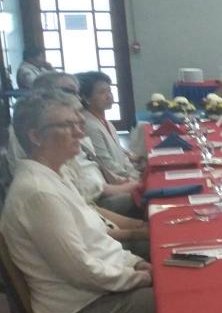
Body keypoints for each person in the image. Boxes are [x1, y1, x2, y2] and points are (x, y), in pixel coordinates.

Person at [1, 91, 154, 313]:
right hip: (79, 309)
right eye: (67, 125)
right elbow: (81, 270)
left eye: (78, 124)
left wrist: (134, 263)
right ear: (36, 136)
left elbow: (98, 238)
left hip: (96, 290)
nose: (80, 133)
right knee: (183, 301)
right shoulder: (39, 193)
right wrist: (139, 278)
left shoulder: (56, 173)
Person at [8, 72, 142, 217]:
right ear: (44, 96)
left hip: (89, 199)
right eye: (68, 92)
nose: (77, 98)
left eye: (76, 93)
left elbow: (91, 166)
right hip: (86, 201)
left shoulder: (65, 130)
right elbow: (81, 190)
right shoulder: (41, 133)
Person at [78, 70, 142, 181]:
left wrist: (135, 172)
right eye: (102, 92)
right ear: (86, 98)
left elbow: (121, 156)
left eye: (109, 91)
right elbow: (106, 165)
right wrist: (136, 177)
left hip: (127, 176)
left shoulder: (106, 122)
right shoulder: (89, 125)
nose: (109, 96)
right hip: (117, 183)